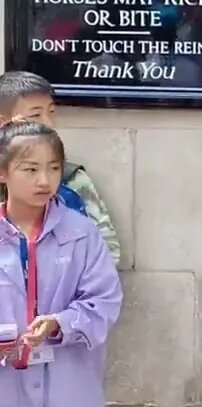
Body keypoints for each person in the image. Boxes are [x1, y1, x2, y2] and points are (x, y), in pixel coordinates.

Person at [0, 120, 123, 407]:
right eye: (31, 170)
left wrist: (59, 323)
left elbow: (104, 300)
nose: (44, 180)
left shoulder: (81, 232)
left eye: (54, 168)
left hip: (66, 390)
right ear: (2, 172)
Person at [0, 71, 122, 267]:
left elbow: (108, 250)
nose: (49, 123)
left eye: (51, 112)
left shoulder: (71, 180)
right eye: (35, 115)